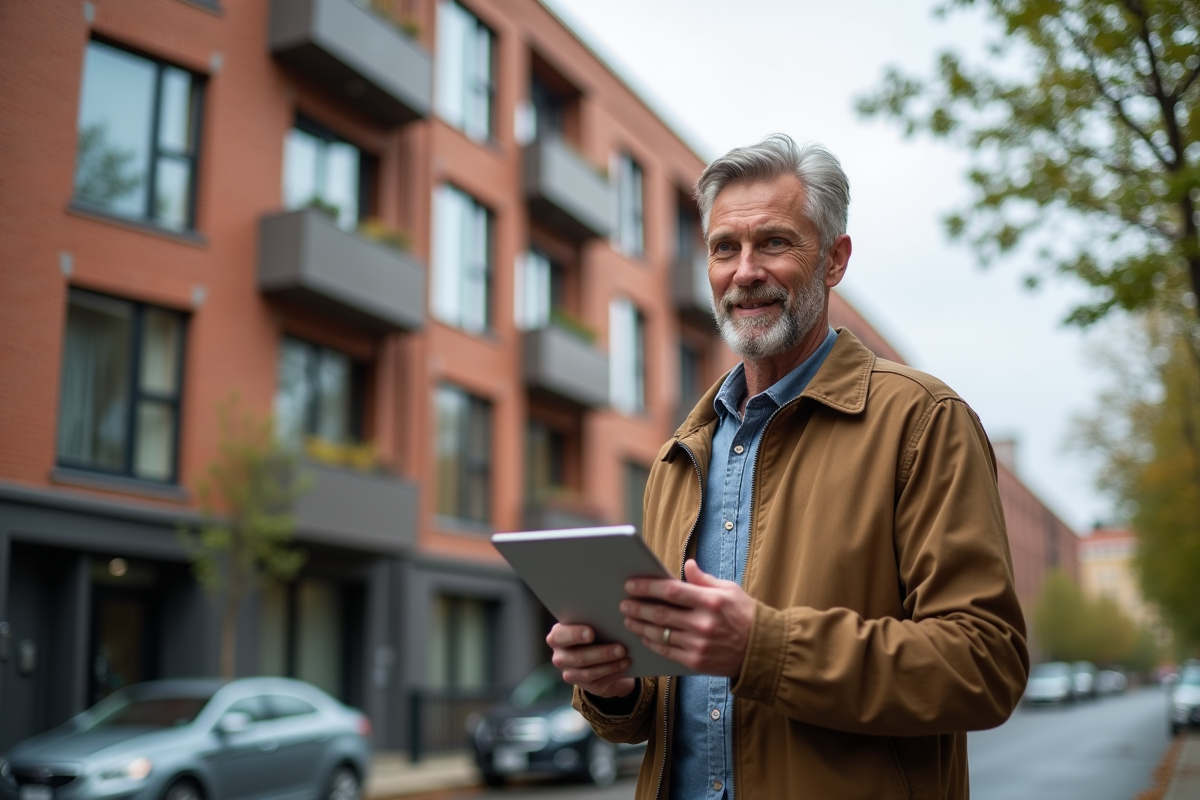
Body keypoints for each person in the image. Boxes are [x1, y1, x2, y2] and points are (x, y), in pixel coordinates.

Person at [546, 134, 1029, 799]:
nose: (744, 271)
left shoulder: (923, 422)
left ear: (834, 261)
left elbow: (986, 666)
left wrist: (763, 648)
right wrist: (616, 687)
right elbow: (664, 713)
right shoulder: (679, 457)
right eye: (724, 248)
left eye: (773, 243)